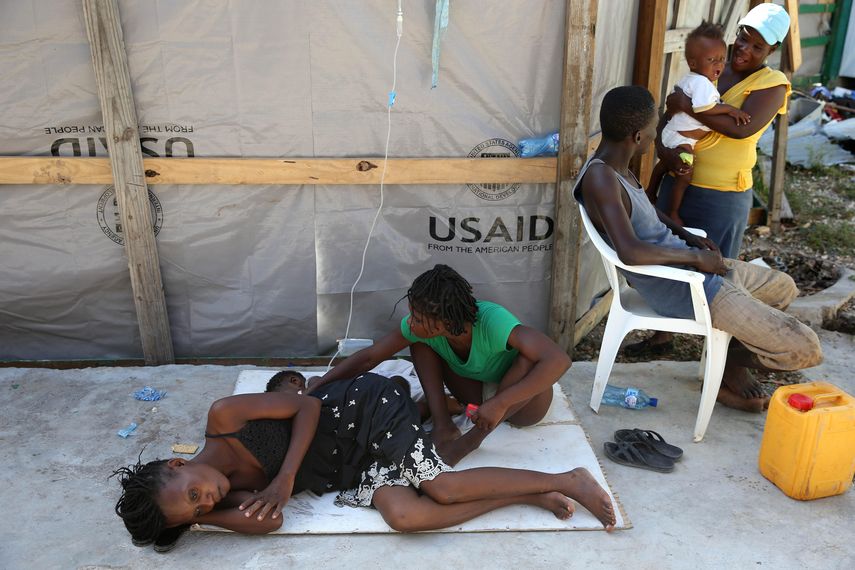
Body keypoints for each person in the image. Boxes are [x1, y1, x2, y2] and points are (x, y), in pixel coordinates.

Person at [112, 372, 616, 550]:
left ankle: (566, 478)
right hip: (353, 466)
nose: (211, 498)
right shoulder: (235, 498)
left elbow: (308, 404)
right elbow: (268, 523)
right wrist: (203, 523)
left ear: (177, 465)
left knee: (437, 488)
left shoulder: (225, 418)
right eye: (200, 509)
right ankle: (529, 493)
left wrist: (285, 477)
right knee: (406, 516)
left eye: (195, 494)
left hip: (360, 411)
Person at [575, 85, 822, 412]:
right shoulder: (601, 179)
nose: (656, 137)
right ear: (636, 136)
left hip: (693, 269)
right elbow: (631, 251)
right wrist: (695, 258)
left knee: (783, 287)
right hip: (685, 287)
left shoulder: (617, 166)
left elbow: (648, 214)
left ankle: (727, 365)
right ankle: (729, 359)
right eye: (653, 131)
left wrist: (688, 237)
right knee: (804, 349)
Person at [633, 3, 793, 357]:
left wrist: (687, 106)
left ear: (773, 51)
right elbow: (668, 119)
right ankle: (662, 336)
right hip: (680, 178)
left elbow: (743, 127)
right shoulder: (711, 63)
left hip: (722, 194)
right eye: (743, 38)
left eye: (757, 47)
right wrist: (664, 150)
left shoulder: (773, 85)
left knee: (718, 271)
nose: (744, 50)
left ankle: (721, 358)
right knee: (667, 258)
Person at [309, 264, 571, 465]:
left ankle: (469, 442)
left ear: (446, 321)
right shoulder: (423, 330)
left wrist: (501, 403)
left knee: (528, 358)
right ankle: (444, 425)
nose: (411, 322)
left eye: (419, 318)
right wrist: (322, 384)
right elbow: (369, 357)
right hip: (479, 401)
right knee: (420, 343)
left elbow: (559, 360)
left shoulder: (492, 320)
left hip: (524, 405)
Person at [647, 21, 752, 210]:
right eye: (712, 60)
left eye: (721, 58)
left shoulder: (694, 80)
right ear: (693, 63)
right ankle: (673, 212)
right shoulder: (702, 84)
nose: (719, 64)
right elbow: (703, 109)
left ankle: (651, 189)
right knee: (685, 174)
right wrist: (730, 109)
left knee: (664, 165)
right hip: (681, 139)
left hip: (674, 134)